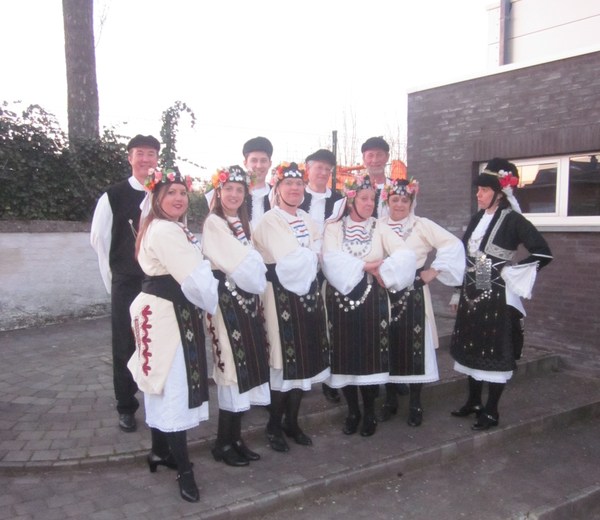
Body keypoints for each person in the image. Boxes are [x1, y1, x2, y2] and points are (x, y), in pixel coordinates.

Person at [128, 167, 218, 502]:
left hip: (165, 312)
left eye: (182, 192)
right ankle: (184, 471)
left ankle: (160, 451)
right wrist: (213, 296)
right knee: (174, 386)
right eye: (171, 193)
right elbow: (195, 278)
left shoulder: (165, 227)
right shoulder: (165, 230)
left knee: (161, 383)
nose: (179, 198)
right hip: (170, 316)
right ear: (156, 198)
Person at [449, 158, 553, 431]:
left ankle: (492, 410)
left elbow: (543, 253)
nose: (478, 194)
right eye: (478, 189)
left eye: (484, 190)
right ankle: (474, 401)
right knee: (472, 346)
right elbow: (464, 258)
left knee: (494, 351)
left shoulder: (513, 219)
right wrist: (457, 293)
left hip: (498, 296)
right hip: (472, 294)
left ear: (500, 192)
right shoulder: (477, 218)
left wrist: (513, 271)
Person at [321, 174, 416, 437]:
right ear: (351, 200)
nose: (369, 204)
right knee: (345, 355)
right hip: (340, 300)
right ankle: (353, 412)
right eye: (364, 198)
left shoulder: (380, 227)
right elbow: (330, 259)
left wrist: (385, 272)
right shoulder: (334, 228)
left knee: (370, 355)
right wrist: (365, 266)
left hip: (373, 299)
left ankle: (370, 413)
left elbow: (405, 254)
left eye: (372, 200)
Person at [253, 162, 330, 452]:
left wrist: (310, 253)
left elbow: (319, 250)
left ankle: (292, 422)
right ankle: (273, 424)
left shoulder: (307, 218)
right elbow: (289, 261)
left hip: (307, 295)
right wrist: (311, 253)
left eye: (299, 184)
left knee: (303, 357)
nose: (295, 188)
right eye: (288, 184)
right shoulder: (270, 220)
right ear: (277, 188)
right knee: (283, 360)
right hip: (280, 296)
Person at [378, 178, 465, 426]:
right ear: (387, 201)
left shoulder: (421, 225)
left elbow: (452, 244)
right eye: (395, 199)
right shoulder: (377, 226)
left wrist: (433, 271)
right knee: (386, 345)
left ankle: (415, 403)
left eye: (405, 200)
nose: (399, 204)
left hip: (414, 292)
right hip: (383, 292)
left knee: (415, 346)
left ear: (412, 202)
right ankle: (390, 400)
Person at [90, 134, 160, 433]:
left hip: (158, 282)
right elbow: (99, 239)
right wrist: (114, 279)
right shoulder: (113, 195)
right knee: (125, 344)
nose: (145, 159)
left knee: (158, 341)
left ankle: (159, 403)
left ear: (157, 158)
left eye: (151, 153)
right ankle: (126, 406)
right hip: (127, 281)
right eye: (139, 153)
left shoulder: (164, 193)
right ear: (130, 157)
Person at [201, 165, 270, 467]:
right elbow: (244, 265)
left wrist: (254, 264)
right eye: (228, 189)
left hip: (246, 301)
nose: (234, 194)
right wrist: (255, 264)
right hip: (227, 302)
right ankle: (223, 442)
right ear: (218, 192)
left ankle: (236, 438)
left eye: (239, 190)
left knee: (247, 365)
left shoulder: (242, 225)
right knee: (231, 365)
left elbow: (252, 264)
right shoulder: (214, 223)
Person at [299, 148, 344, 404]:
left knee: (330, 324)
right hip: (300, 270)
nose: (323, 173)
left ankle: (330, 380)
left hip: (329, 272)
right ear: (308, 168)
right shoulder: (295, 194)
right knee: (303, 323)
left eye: (328, 169)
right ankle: (304, 377)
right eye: (319, 167)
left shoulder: (338, 200)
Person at [204, 136, 273, 230]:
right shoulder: (225, 193)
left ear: (270, 163)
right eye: (254, 160)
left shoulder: (277, 194)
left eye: (263, 161)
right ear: (245, 163)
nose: (259, 165)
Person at [361, 136, 392, 219]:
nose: (375, 160)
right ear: (364, 158)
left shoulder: (397, 188)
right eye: (370, 155)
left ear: (387, 157)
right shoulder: (356, 189)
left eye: (379, 155)